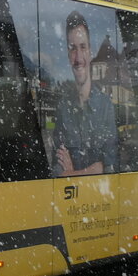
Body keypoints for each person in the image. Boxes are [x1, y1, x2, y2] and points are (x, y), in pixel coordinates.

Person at [52, 10, 118, 177]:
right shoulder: (63, 109)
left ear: (90, 52)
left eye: (83, 47)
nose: (78, 58)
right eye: (73, 49)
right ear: (68, 54)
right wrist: (94, 168)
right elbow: (57, 169)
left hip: (98, 194)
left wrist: (72, 173)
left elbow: (110, 167)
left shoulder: (105, 106)